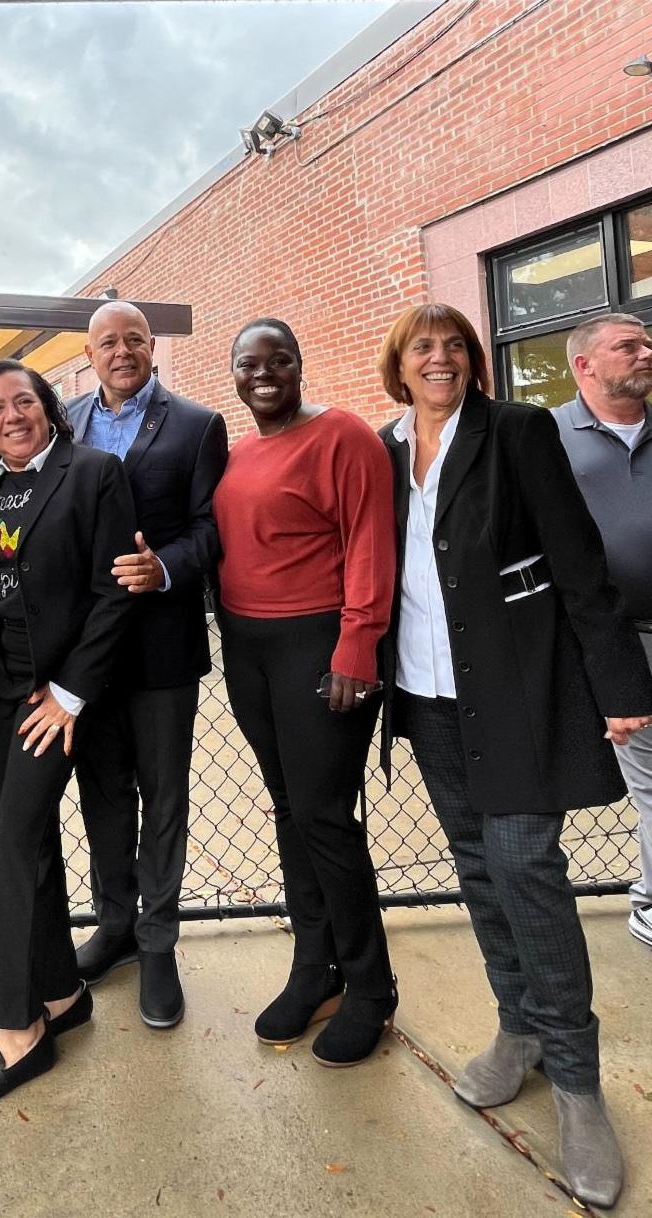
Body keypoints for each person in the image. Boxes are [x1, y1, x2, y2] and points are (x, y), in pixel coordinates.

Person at [377, 303, 652, 1209]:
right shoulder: (384, 449)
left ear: (473, 360)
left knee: (525, 865)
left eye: (455, 345)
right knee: (475, 867)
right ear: (399, 366)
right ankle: (518, 1028)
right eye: (424, 347)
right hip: (425, 694)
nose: (441, 358)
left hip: (515, 689)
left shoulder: (519, 432)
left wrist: (618, 682)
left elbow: (579, 562)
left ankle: (577, 1082)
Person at [0, 359, 136, 1105]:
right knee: (35, 840)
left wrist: (70, 691)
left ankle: (17, 1027)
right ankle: (61, 992)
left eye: (23, 402)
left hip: (54, 692)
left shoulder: (93, 474)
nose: (10, 417)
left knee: (17, 840)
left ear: (49, 408)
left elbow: (115, 591)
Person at [214, 317, 398, 1069]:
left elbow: (370, 542)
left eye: (278, 360)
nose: (263, 373)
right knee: (290, 809)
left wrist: (358, 643)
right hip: (247, 646)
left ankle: (371, 987)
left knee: (324, 816)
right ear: (233, 373)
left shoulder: (342, 437)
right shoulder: (239, 451)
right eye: (248, 363)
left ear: (298, 365)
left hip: (319, 643)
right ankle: (314, 968)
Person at [64, 301, 227, 1028]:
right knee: (103, 794)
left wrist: (164, 567)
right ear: (89, 354)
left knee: (162, 799)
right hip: (87, 652)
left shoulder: (196, 425)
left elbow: (211, 528)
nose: (122, 351)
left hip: (162, 645)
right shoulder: (64, 420)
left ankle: (158, 943)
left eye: (134, 339)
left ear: (151, 346)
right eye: (108, 341)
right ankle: (116, 926)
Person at [550, 314, 652, 949]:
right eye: (629, 346)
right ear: (584, 365)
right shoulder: (548, 436)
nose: (647, 352)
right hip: (614, 641)